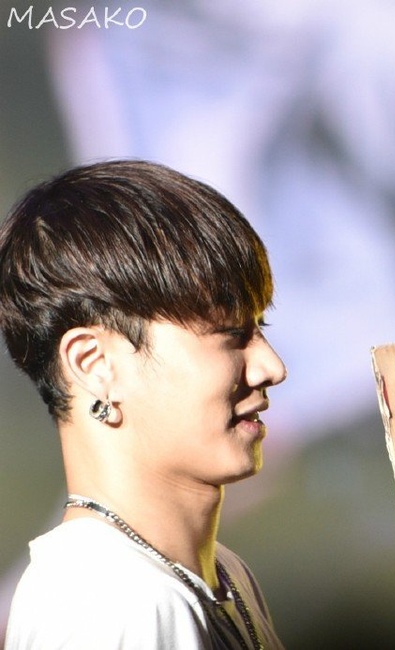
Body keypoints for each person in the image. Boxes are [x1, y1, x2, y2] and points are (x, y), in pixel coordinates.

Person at [0, 160, 287, 649]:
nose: (271, 367)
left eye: (260, 328)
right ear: (94, 364)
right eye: (229, 334)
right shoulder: (118, 603)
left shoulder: (220, 575)